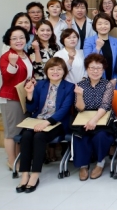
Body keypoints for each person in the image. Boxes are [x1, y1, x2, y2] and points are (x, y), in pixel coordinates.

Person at [17, 58, 74, 193]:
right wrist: (29, 94)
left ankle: (35, 175)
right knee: (25, 136)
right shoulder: (40, 85)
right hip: (37, 120)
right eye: (52, 69)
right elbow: (31, 108)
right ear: (46, 71)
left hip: (57, 123)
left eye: (59, 69)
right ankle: (25, 174)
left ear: (64, 71)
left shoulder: (69, 87)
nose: (55, 72)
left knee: (39, 137)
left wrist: (47, 122)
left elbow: (64, 110)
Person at [72, 53, 116, 181]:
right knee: (80, 135)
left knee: (101, 135)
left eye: (99, 68)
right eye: (92, 68)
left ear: (103, 70)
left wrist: (94, 120)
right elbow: (79, 108)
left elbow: (105, 105)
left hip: (103, 115)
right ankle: (83, 165)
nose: (95, 71)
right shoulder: (80, 84)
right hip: (84, 115)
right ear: (87, 69)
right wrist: (79, 95)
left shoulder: (107, 85)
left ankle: (100, 163)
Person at [0, 26, 33, 170]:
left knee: (20, 131)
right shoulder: (7, 56)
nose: (19, 41)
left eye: (22, 37)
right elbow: (7, 78)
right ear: (9, 41)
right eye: (14, 38)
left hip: (22, 97)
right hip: (10, 98)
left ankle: (19, 159)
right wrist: (12, 64)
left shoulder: (24, 54)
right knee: (11, 132)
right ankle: (12, 161)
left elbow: (25, 75)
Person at [83, 13, 117, 87]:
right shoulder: (89, 41)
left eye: (106, 23)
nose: (103, 26)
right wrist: (97, 47)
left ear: (110, 25)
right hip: (95, 83)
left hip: (114, 84)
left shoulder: (116, 42)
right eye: (99, 24)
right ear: (95, 26)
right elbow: (88, 62)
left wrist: (116, 79)